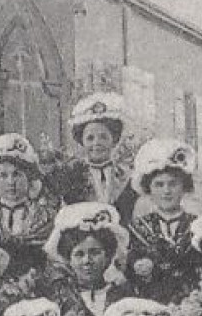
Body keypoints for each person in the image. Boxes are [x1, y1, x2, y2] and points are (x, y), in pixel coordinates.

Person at [43, 201, 132, 316]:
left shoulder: (122, 295)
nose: (87, 261)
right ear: (69, 259)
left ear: (108, 256)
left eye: (95, 252)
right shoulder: (58, 297)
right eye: (79, 254)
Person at [124, 138, 202, 304]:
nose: (166, 191)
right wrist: (138, 266)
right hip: (149, 300)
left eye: (173, 184)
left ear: (184, 187)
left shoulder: (198, 226)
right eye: (159, 185)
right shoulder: (137, 227)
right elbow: (129, 265)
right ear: (149, 189)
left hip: (191, 301)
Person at [0, 133, 58, 284]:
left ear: (29, 178)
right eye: (3, 176)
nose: (11, 182)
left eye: (17, 174)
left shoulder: (46, 218)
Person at [51, 92, 140, 223]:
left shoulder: (127, 176)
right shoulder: (72, 176)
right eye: (90, 138)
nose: (96, 143)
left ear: (114, 139)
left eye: (103, 137)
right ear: (82, 141)